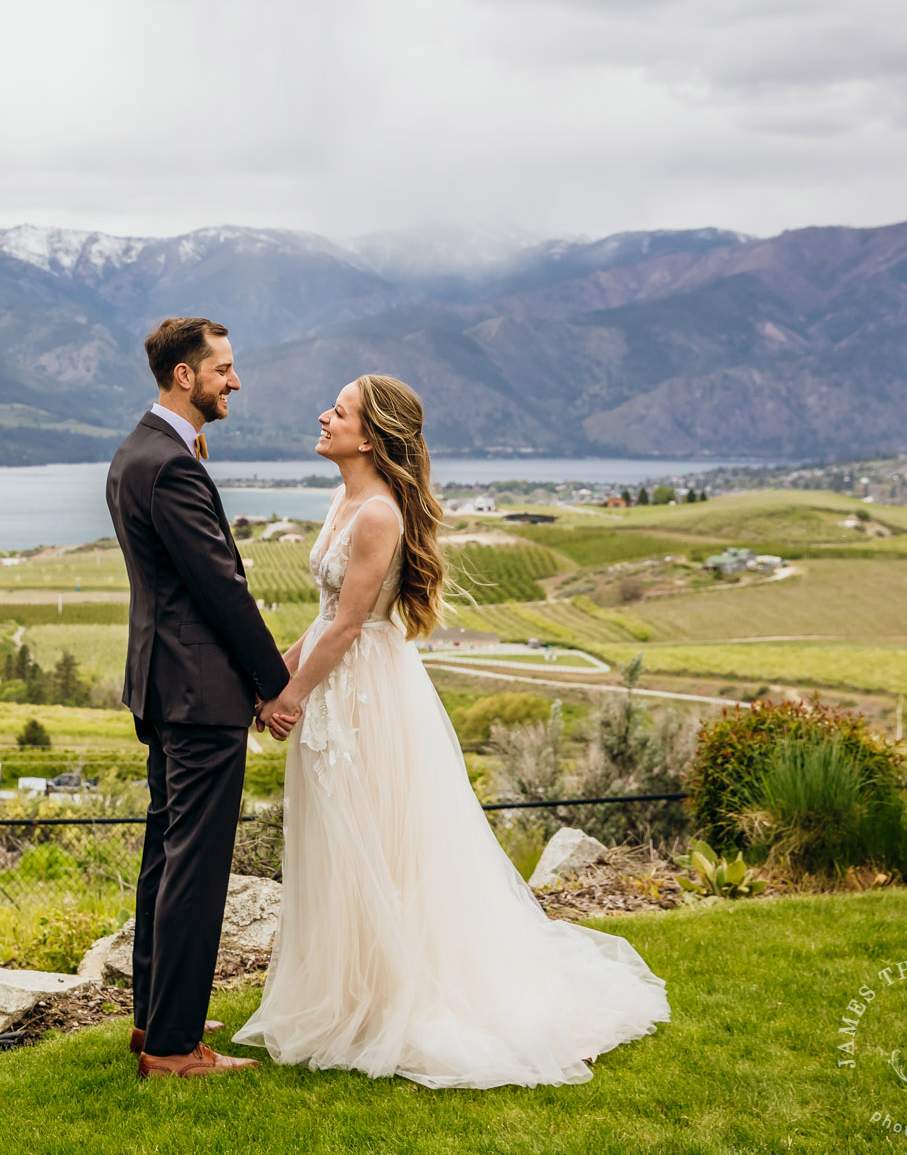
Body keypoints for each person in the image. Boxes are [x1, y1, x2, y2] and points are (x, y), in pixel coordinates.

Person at [236, 374, 670, 1086]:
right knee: (338, 840)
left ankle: (398, 998)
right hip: (337, 680)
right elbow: (323, 616)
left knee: (376, 838)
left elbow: (350, 624)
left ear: (369, 434)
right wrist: (272, 675)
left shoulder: (377, 513)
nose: (323, 415)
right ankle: (352, 990)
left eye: (338, 411)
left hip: (367, 697)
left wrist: (291, 700)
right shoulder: (341, 497)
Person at [105, 317, 291, 1079]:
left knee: (165, 855)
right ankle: (178, 1047)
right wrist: (274, 685)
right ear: (186, 375)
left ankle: (157, 1017)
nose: (234, 381)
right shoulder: (172, 466)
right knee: (195, 865)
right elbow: (221, 587)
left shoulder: (133, 452)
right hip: (200, 691)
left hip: (160, 683)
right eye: (223, 369)